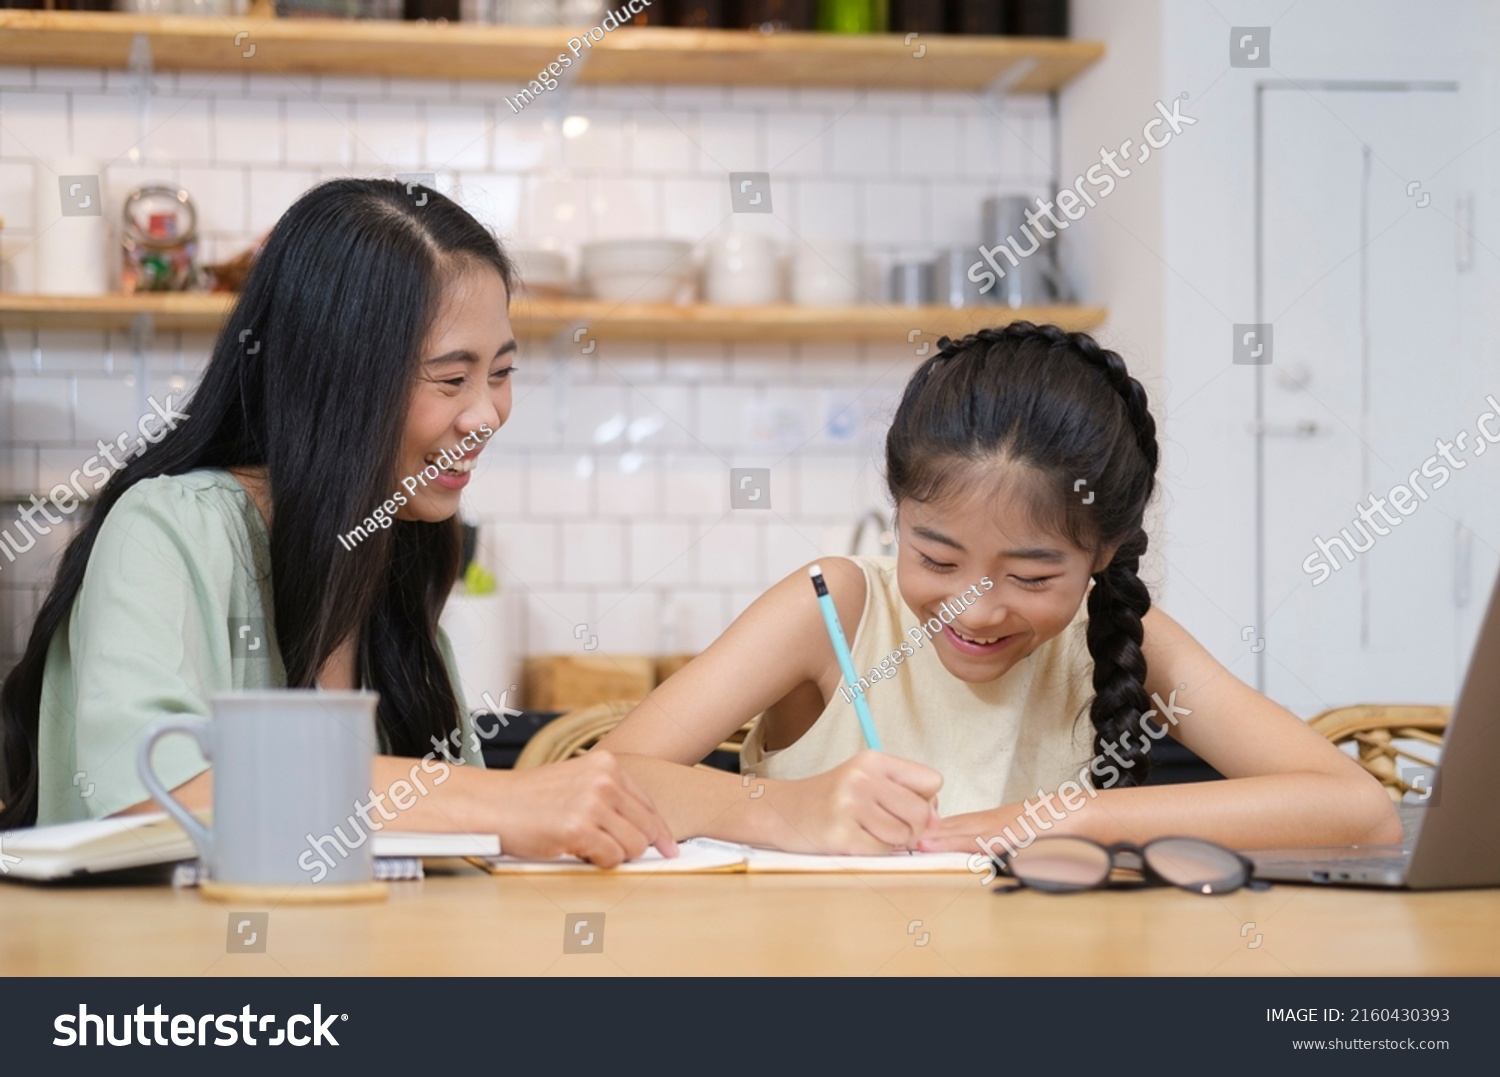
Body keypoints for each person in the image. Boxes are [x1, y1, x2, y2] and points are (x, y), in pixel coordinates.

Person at [0, 178, 675, 868]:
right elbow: (158, 794)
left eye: (500, 373)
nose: (486, 416)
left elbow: (445, 834)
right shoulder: (168, 529)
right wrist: (502, 801)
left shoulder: (392, 559)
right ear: (338, 378)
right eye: (452, 379)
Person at [597, 322, 1401, 856]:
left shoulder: (1119, 631)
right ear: (898, 515)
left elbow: (1359, 811)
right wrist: (788, 810)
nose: (975, 609)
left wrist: (1048, 820)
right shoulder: (834, 608)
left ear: (1102, 553)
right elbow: (602, 781)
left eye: (1031, 576)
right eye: (937, 559)